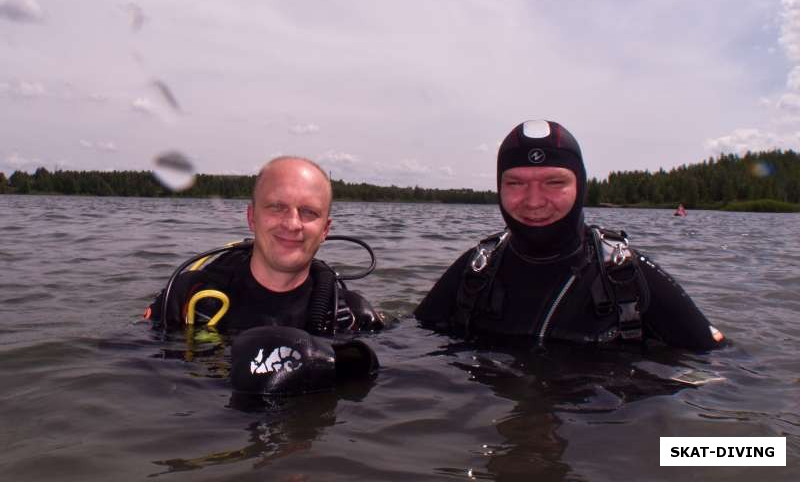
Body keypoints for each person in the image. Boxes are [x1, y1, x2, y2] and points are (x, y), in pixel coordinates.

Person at [415, 120, 725, 351]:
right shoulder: (475, 271)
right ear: (499, 188)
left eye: (553, 182)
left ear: (580, 188)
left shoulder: (627, 279)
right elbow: (406, 348)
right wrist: (369, 324)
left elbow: (726, 377)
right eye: (516, 183)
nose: (534, 200)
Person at [145, 156, 384, 335]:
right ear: (251, 217)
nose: (292, 224)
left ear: (325, 230)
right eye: (277, 207)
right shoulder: (187, 297)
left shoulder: (352, 316)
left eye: (308, 211)